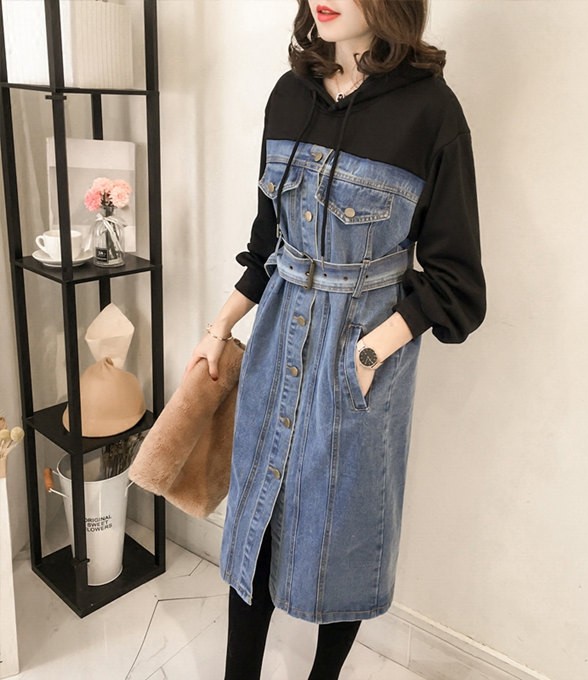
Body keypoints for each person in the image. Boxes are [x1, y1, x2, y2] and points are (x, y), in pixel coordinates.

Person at [187, 1, 486, 677]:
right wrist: (219, 327)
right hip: (277, 341)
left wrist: (371, 352)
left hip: (361, 353)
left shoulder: (431, 112)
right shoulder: (290, 94)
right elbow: (268, 241)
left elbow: (457, 283)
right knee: (257, 519)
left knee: (345, 530)